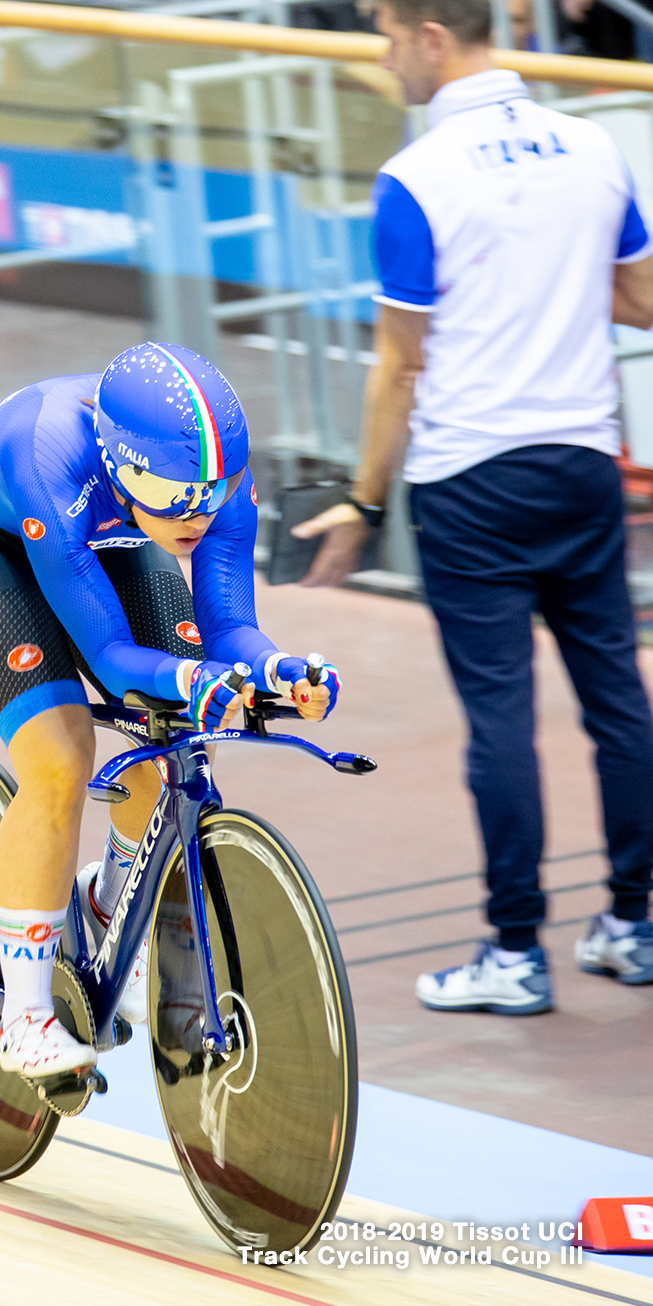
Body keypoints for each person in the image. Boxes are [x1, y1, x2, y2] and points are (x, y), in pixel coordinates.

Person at [294, 0, 653, 1012]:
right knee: (616, 700)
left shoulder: (416, 177)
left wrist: (361, 500)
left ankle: (512, 951)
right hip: (581, 461)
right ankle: (632, 922)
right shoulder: (590, 147)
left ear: (433, 37)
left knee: (498, 718)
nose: (381, 54)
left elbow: (397, 365)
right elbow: (640, 298)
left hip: (469, 481)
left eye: (387, 34)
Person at [0, 343, 340, 1082]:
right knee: (60, 757)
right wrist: (192, 675)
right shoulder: (52, 454)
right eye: (178, 496)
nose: (197, 515)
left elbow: (229, 624)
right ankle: (24, 1016)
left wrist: (274, 668)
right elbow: (110, 656)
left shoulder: (203, 483)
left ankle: (110, 906)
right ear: (122, 466)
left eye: (212, 494)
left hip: (106, 536)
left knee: (174, 736)